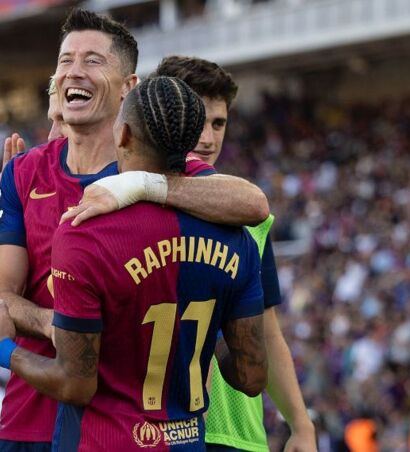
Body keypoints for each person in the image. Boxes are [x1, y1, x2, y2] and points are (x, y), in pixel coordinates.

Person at [0, 9, 269, 451]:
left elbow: (253, 203)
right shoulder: (25, 172)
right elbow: (0, 300)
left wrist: (138, 185)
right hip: (31, 417)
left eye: (93, 60)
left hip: (92, 425)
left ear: (127, 87)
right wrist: (55, 323)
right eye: (65, 60)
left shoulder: (166, 169)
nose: (74, 70)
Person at [148, 56, 316, 452]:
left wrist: (300, 424)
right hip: (158, 433)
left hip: (240, 434)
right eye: (198, 121)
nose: (208, 138)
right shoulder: (131, 209)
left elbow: (267, 332)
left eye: (219, 123)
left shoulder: (250, 219)